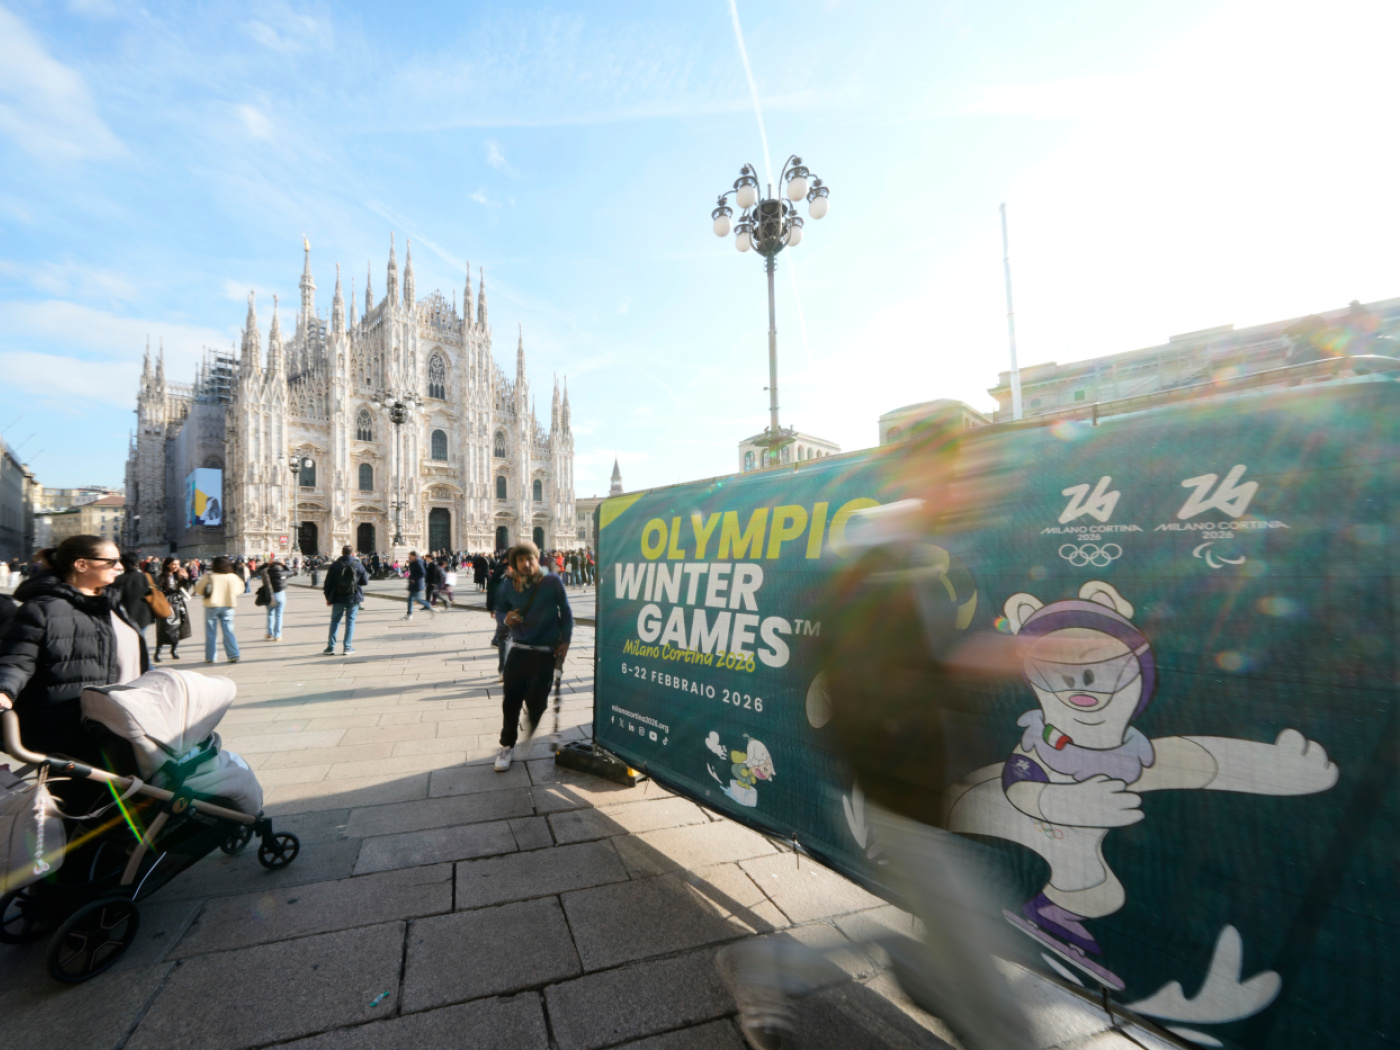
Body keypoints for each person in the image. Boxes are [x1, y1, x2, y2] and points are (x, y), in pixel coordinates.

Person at [0, 535, 146, 783]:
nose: (119, 567)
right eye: (111, 561)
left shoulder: (109, 602)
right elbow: (17, 658)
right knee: (89, 809)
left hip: (124, 725)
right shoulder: (43, 608)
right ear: (81, 565)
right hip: (74, 732)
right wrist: (4, 690)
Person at [491, 541, 572, 772]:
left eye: (531, 559)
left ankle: (532, 710)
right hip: (519, 649)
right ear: (514, 563)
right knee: (510, 702)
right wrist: (506, 619)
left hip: (546, 651)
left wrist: (565, 641)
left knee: (538, 702)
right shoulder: (508, 585)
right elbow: (499, 611)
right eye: (521, 560)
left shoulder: (552, 581)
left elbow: (565, 612)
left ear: (538, 559)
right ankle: (507, 745)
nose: (526, 564)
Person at [323, 545, 369, 655]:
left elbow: (327, 584)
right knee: (350, 622)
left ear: (342, 552)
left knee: (335, 622)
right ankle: (347, 648)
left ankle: (330, 647)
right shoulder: (358, 564)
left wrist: (328, 598)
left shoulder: (334, 565)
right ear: (352, 553)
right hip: (353, 597)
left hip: (338, 597)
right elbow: (365, 581)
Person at [198, 556, 242, 663]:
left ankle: (210, 657)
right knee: (228, 630)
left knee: (211, 632)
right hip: (228, 605)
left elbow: (198, 589)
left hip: (212, 606)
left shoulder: (209, 577)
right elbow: (240, 589)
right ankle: (233, 655)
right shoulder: (232, 577)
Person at [153, 556, 192, 661]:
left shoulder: (178, 575)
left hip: (178, 603)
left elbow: (187, 588)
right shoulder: (161, 576)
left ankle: (174, 649)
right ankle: (158, 651)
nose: (176, 567)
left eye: (178, 564)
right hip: (166, 604)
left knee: (177, 627)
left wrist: (186, 578)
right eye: (174, 564)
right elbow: (158, 589)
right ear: (167, 565)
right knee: (163, 628)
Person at [112, 551, 157, 640]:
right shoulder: (144, 577)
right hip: (143, 615)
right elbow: (150, 593)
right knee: (140, 640)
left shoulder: (117, 580)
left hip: (124, 616)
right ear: (136, 562)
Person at [260, 554, 289, 641]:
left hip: (269, 595)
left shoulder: (266, 572)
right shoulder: (283, 572)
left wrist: (267, 564)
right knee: (279, 615)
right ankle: (277, 635)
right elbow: (291, 572)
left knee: (270, 614)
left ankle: (269, 633)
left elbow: (258, 570)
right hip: (280, 595)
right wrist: (284, 565)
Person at [401, 551, 435, 619]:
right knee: (410, 599)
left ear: (414, 556)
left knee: (417, 599)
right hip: (413, 584)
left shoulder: (418, 562)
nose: (409, 557)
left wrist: (414, 578)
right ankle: (409, 614)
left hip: (417, 584)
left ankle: (429, 606)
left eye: (410, 556)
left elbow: (423, 572)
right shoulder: (413, 562)